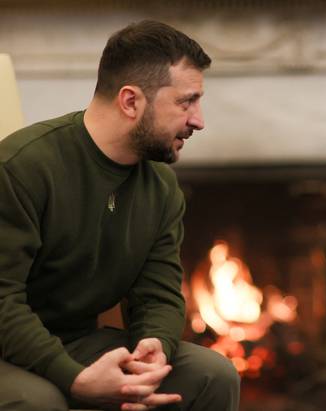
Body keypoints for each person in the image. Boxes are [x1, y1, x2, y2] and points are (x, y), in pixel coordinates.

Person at [0, 20, 240, 411]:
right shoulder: (22, 167)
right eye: (186, 101)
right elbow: (2, 300)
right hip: (6, 347)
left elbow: (158, 293)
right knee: (40, 401)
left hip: (75, 342)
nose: (199, 120)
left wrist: (154, 348)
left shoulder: (161, 186)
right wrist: (73, 378)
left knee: (212, 374)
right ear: (130, 102)